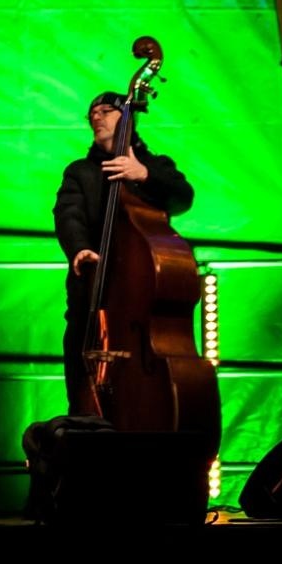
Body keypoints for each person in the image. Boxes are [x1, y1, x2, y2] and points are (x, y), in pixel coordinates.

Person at [51, 90, 193, 414]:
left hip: (143, 299)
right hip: (93, 295)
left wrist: (142, 174)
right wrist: (81, 249)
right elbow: (67, 214)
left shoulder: (156, 166)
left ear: (128, 116)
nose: (96, 117)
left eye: (105, 111)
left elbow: (182, 196)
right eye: (92, 113)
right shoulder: (80, 172)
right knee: (82, 378)